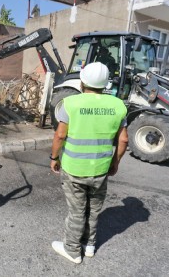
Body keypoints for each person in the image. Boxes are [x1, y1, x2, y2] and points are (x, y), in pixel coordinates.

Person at [49, 62, 128, 264]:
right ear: (106, 83)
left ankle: (73, 250)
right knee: (93, 209)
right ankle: (89, 245)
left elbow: (59, 136)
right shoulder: (118, 105)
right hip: (100, 168)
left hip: (74, 168)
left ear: (83, 80)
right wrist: (115, 162)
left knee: (76, 211)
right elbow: (124, 140)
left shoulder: (70, 103)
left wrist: (54, 158)